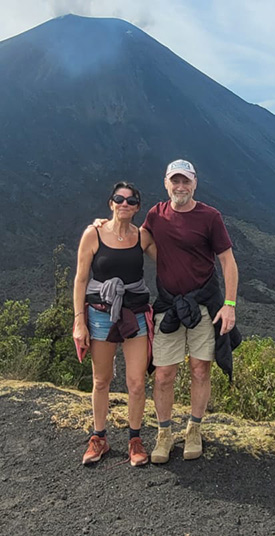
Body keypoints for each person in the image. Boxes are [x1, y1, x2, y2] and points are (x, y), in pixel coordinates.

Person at [142, 159, 241, 463]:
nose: (180, 186)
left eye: (186, 181)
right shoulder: (155, 215)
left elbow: (228, 262)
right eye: (175, 181)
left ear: (195, 183)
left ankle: (194, 428)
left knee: (200, 369)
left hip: (203, 306)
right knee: (163, 374)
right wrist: (103, 227)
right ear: (166, 183)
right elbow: (137, 241)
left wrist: (230, 305)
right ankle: (164, 433)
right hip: (169, 306)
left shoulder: (210, 217)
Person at [72, 181, 156, 467]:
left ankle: (135, 439)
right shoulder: (93, 234)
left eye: (131, 201)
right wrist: (78, 321)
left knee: (136, 382)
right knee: (101, 380)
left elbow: (170, 259)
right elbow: (81, 279)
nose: (124, 204)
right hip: (99, 314)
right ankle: (99, 437)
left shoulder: (143, 237)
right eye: (119, 199)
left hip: (134, 313)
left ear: (137, 208)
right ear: (110, 203)